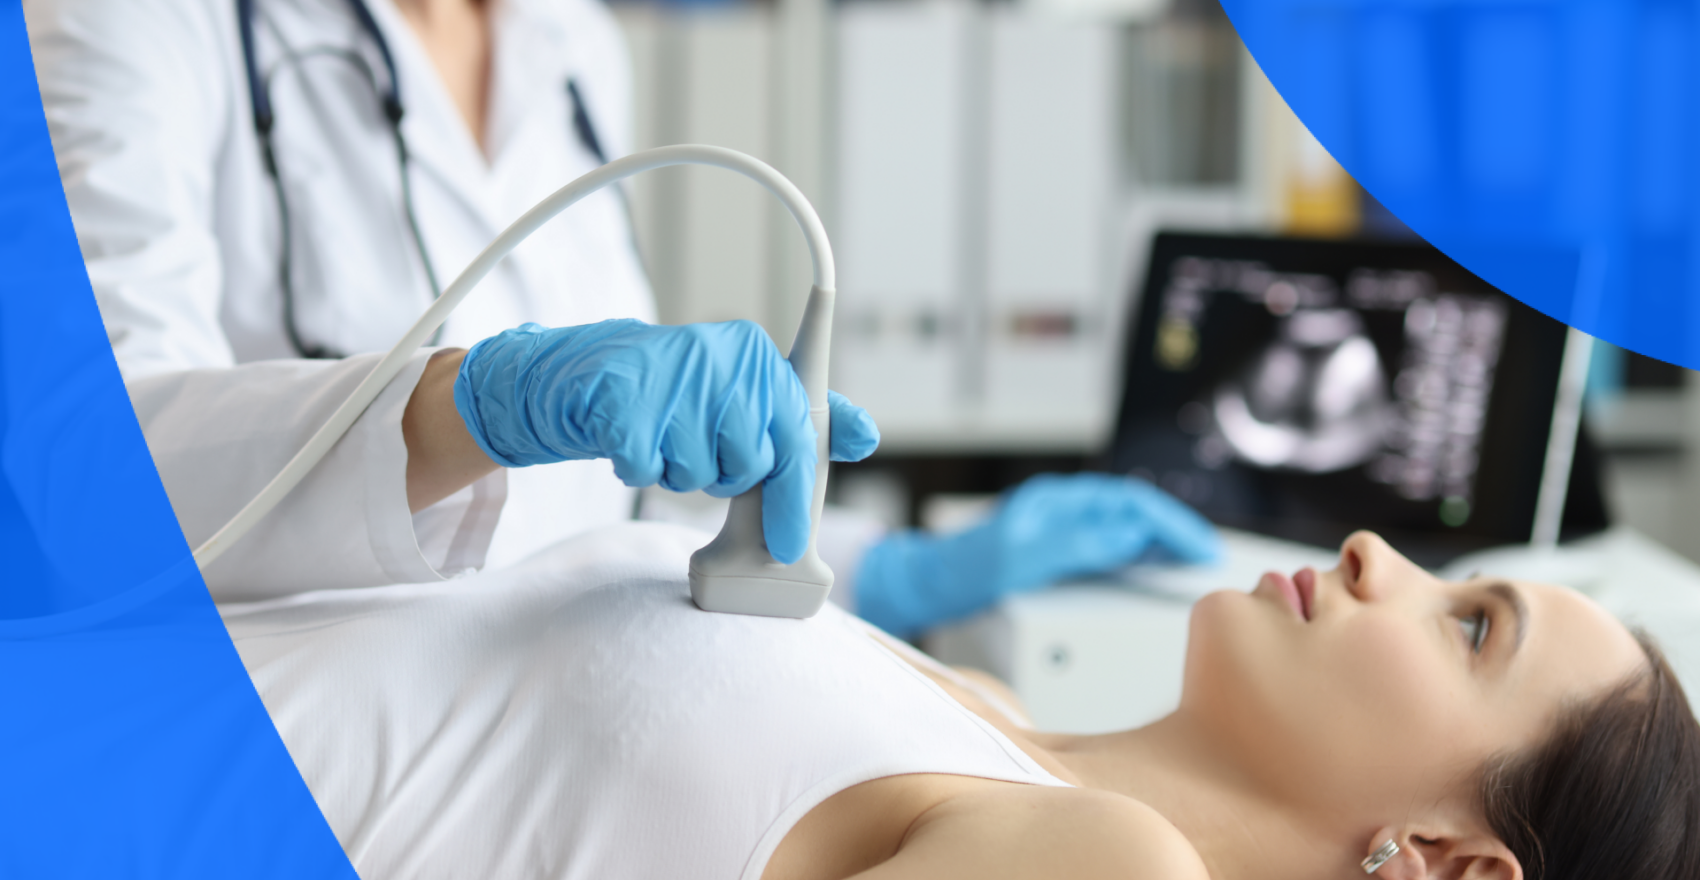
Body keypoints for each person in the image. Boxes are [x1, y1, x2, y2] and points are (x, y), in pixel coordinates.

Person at [25, 0, 1219, 623]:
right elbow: (96, 489)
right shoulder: (135, 19)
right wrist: (476, 403)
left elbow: (624, 495)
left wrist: (892, 569)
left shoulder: (574, 44)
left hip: (558, 704)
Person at [222, 526, 1700, 878]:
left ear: (1453, 866)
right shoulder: (993, 723)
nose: (1380, 555)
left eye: (1470, 626)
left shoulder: (1112, 864)